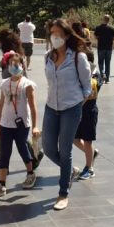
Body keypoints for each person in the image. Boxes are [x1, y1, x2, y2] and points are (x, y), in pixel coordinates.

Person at [43, 18, 91, 211]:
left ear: (67, 35)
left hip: (71, 108)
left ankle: (63, 193)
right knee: (47, 148)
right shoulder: (47, 56)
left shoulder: (78, 57)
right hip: (51, 107)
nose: (55, 37)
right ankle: (69, 171)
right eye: (52, 34)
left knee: (65, 150)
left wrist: (78, 103)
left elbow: (87, 86)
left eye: (59, 34)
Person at [0, 51, 41, 198]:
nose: (13, 67)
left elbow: (33, 106)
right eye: (11, 65)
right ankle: (2, 184)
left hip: (22, 124)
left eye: (16, 65)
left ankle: (30, 173)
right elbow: (1, 104)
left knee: (23, 149)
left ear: (22, 66)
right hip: (6, 124)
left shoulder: (27, 84)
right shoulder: (4, 84)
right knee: (4, 153)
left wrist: (35, 125)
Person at [74, 50, 101, 180]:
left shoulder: (94, 76)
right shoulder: (82, 74)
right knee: (75, 139)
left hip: (89, 112)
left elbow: (89, 91)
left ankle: (89, 168)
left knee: (88, 141)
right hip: (79, 111)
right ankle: (91, 154)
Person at [93, 15, 114, 83]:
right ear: (109, 20)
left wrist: (100, 38)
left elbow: (95, 36)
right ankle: (107, 79)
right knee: (107, 63)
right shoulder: (111, 28)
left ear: (103, 19)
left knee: (100, 62)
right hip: (109, 48)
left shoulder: (98, 28)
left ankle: (102, 74)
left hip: (101, 47)